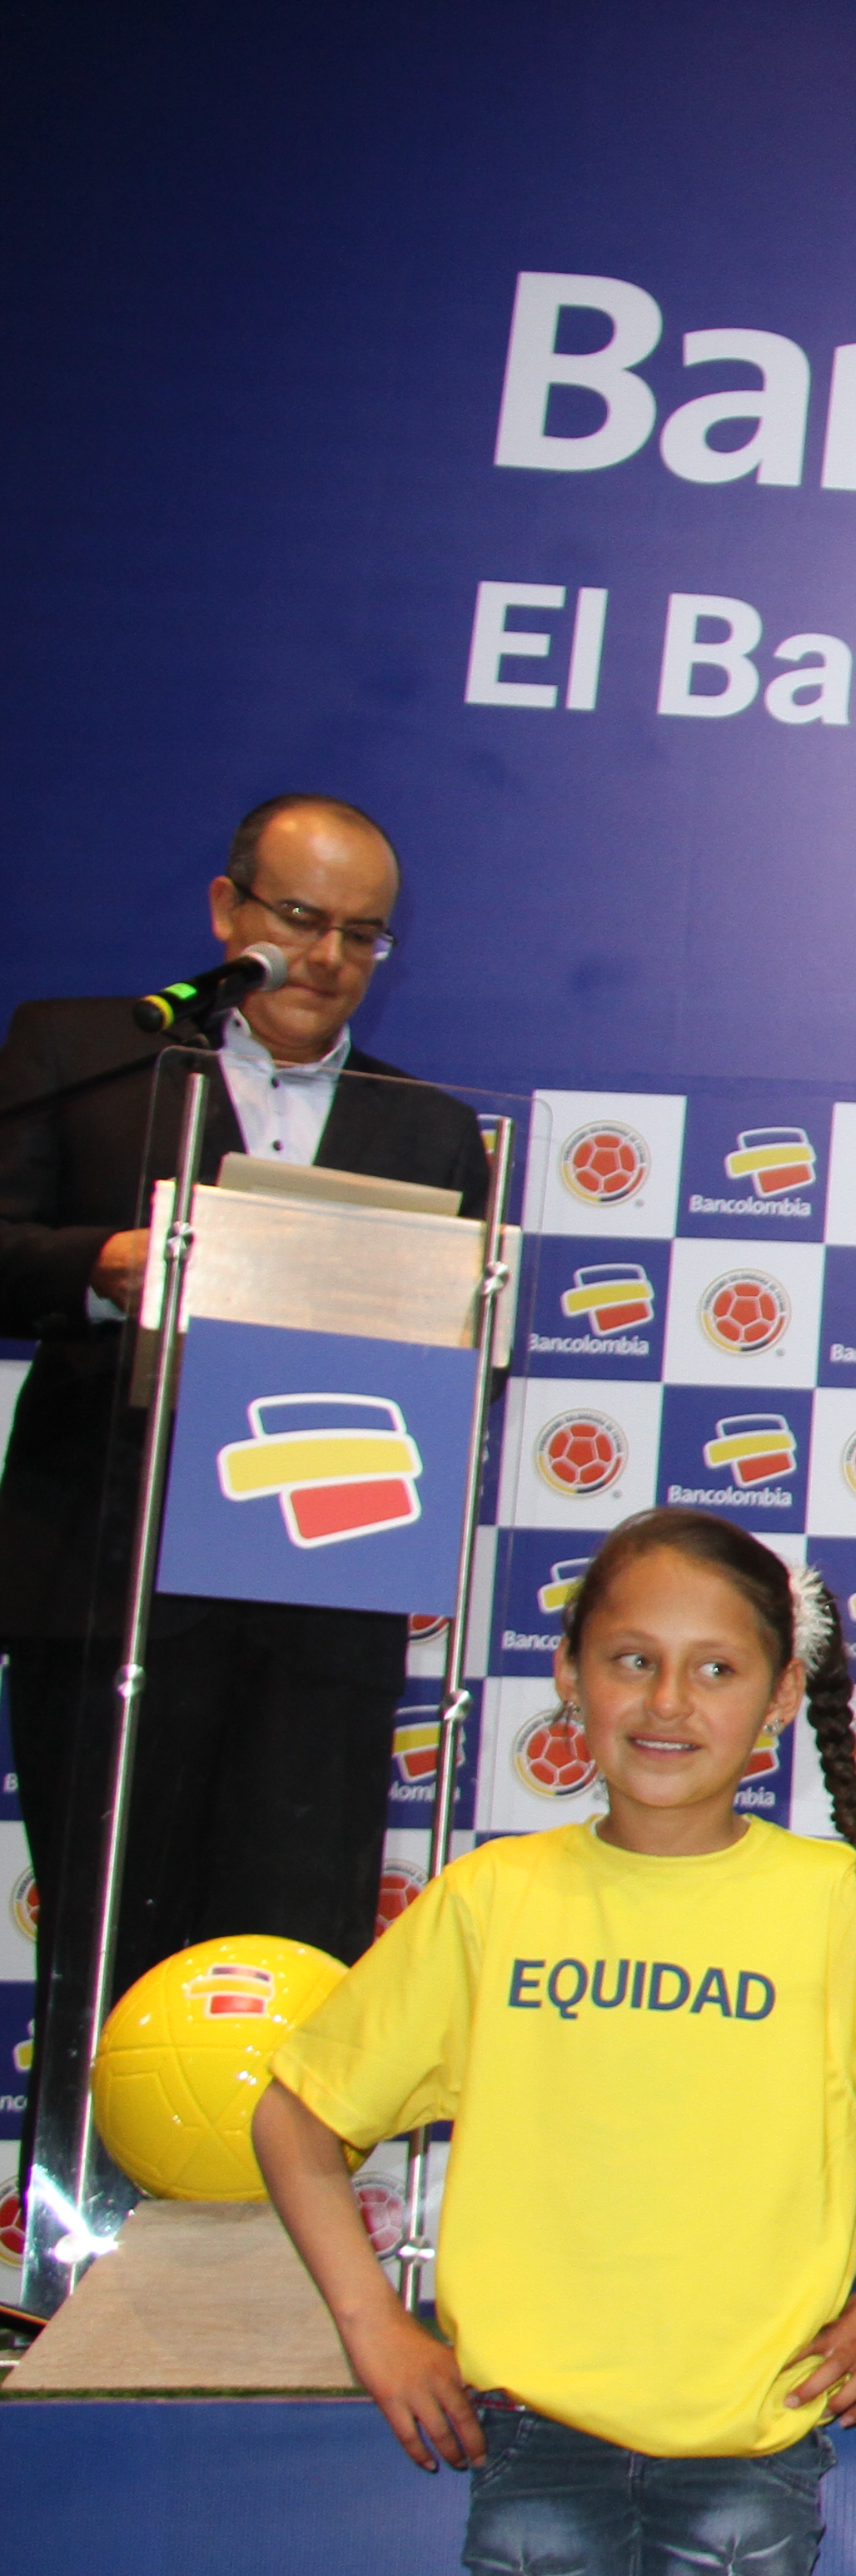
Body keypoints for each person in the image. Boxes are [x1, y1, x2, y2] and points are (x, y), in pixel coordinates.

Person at [253, 1508, 856, 2576]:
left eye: (715, 1668)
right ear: (567, 1674)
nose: (668, 1701)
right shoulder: (493, 1900)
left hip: (751, 2451)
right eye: (630, 1659)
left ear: (782, 1695)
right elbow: (292, 2119)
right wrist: (372, 2324)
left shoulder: (845, 1906)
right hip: (537, 2445)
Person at [3, 792, 495, 2221]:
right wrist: (94, 1258)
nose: (326, 956)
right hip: (104, 1577)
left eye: (360, 934)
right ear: (229, 915)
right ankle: (71, 2243)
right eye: (298, 919)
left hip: (317, 1596)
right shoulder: (86, 1060)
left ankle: (274, 2266)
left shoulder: (423, 1127)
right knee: (104, 1928)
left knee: (295, 1936)